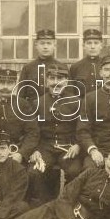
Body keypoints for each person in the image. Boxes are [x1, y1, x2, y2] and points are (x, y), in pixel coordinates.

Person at [28, 63, 84, 204]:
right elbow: (31, 131)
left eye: (60, 79)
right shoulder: (37, 103)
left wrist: (77, 145)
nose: (55, 83)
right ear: (46, 81)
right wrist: (34, 150)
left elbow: (82, 127)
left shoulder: (77, 102)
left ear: (66, 82)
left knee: (75, 171)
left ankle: (67, 203)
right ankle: (45, 204)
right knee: (35, 172)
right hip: (45, 147)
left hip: (68, 146)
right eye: (52, 78)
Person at [18, 28, 66, 101]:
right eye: (42, 43)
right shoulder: (28, 68)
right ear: (36, 45)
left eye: (49, 43)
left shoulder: (62, 67)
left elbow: (69, 95)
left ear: (54, 45)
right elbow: (21, 96)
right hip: (32, 110)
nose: (45, 47)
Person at [69, 27, 106, 96]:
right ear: (83, 45)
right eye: (89, 43)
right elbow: (71, 93)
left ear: (101, 45)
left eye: (96, 43)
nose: (92, 46)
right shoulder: (75, 67)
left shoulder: (106, 65)